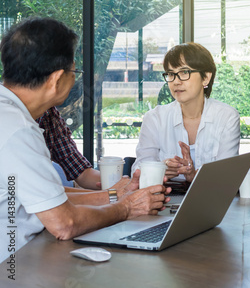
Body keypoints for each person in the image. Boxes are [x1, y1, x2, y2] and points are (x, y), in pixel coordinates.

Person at [0, 17, 168, 261]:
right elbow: (64, 223)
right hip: (14, 268)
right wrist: (127, 208)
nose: (75, 78)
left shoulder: (11, 115)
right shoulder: (19, 130)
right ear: (57, 79)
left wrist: (116, 196)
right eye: (74, 72)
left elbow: (49, 196)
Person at [132, 42, 240, 183]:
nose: (176, 81)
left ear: (206, 78)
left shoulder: (227, 117)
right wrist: (160, 169)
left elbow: (227, 178)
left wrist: (193, 177)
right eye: (171, 74)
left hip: (213, 201)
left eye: (184, 72)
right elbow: (137, 172)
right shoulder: (154, 118)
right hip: (164, 200)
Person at [37, 106, 101, 189]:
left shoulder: (50, 113)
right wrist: (107, 195)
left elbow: (81, 172)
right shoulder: (18, 121)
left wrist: (115, 183)